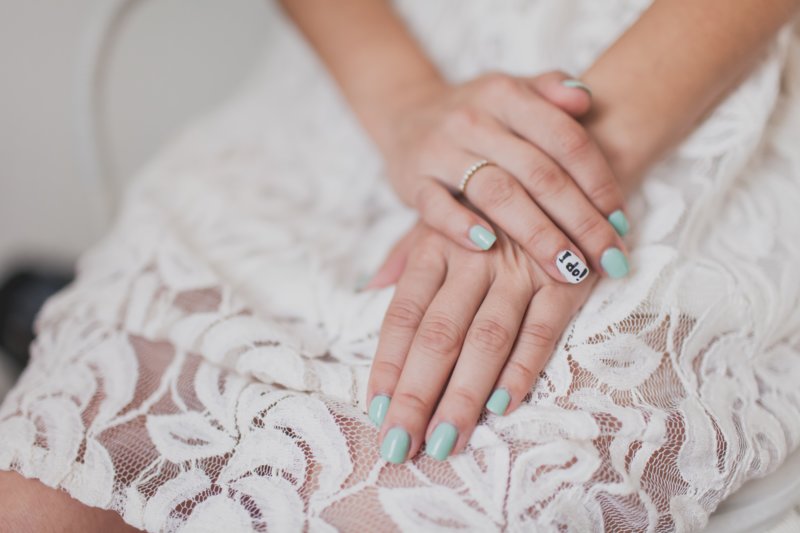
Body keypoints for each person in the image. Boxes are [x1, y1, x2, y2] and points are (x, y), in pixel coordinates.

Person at [2, 1, 800, 531]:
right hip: (375, 60)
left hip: (695, 68)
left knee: (456, 491)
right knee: (42, 492)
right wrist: (406, 107)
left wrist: (562, 167)